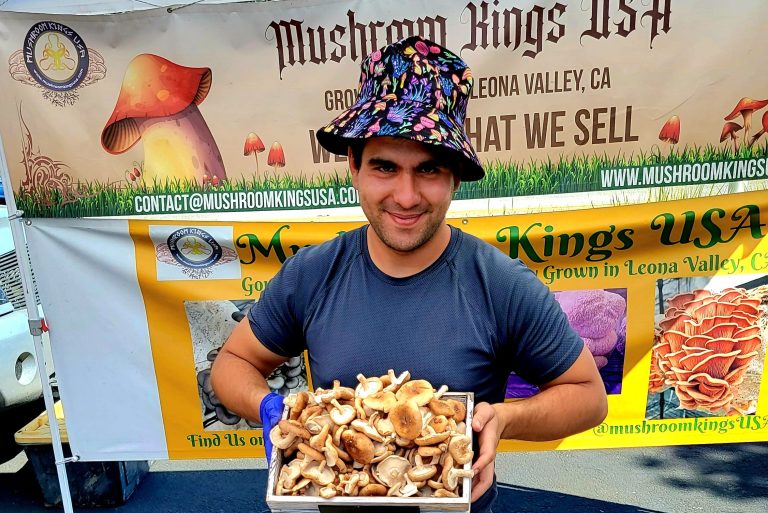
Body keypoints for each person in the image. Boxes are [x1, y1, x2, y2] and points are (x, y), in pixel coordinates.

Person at [211, 35, 607, 512]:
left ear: (455, 177)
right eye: (384, 166)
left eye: (429, 169)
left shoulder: (500, 284)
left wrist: (501, 418)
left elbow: (588, 397)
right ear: (353, 165)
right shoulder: (313, 274)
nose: (405, 195)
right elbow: (233, 363)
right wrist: (267, 407)